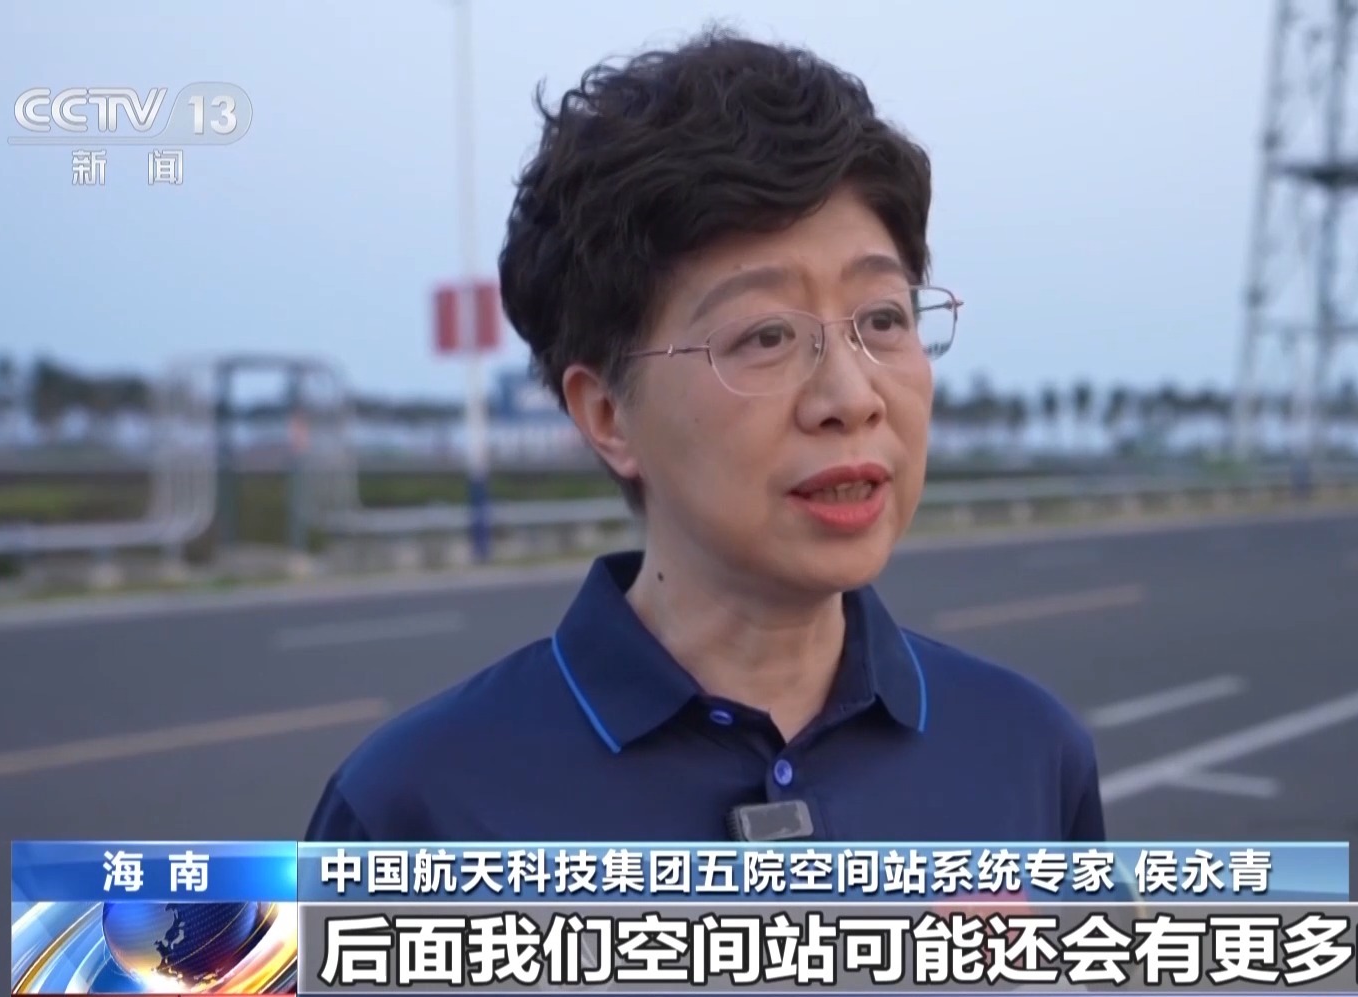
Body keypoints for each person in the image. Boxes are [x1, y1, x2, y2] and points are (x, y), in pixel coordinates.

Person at [305, 28, 1105, 843]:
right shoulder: (414, 808)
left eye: (882, 319)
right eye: (766, 335)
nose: (851, 397)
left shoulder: (1030, 754)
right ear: (607, 414)